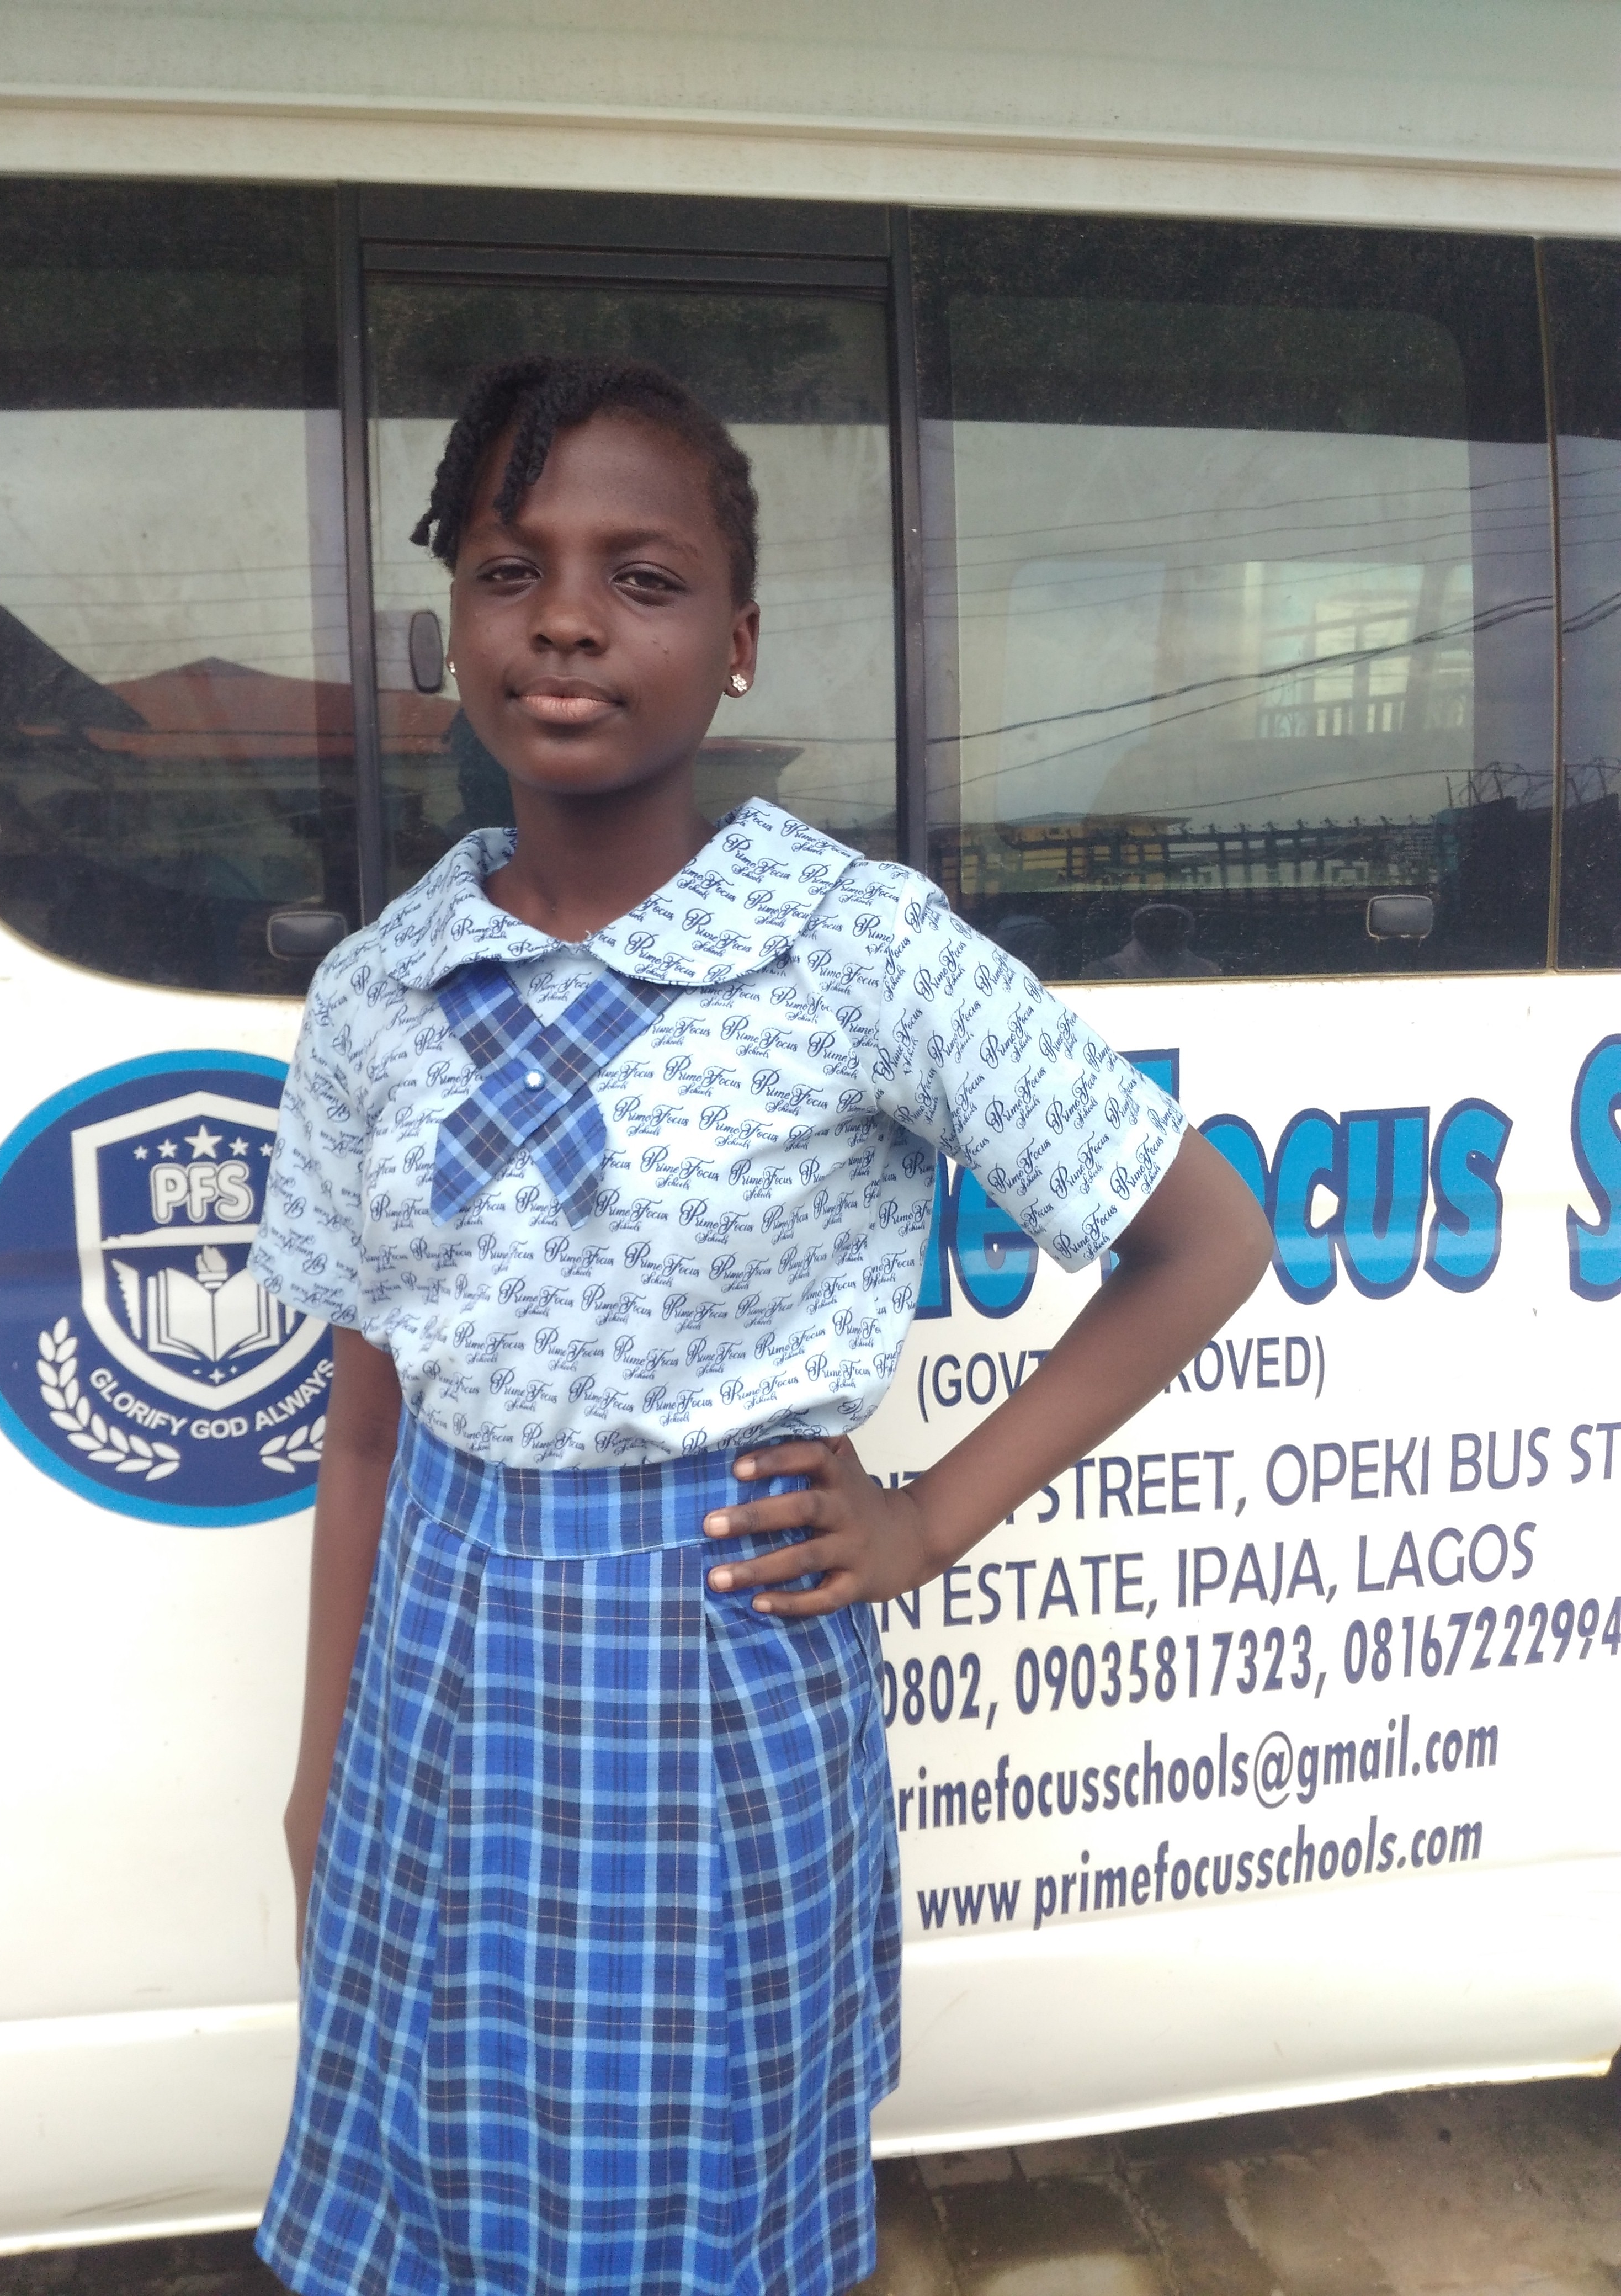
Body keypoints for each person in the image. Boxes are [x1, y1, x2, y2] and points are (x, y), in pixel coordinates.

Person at [250, 355, 1272, 2296]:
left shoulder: (854, 950)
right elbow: (365, 1425)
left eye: (640, 578)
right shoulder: (380, 992)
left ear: (735, 641)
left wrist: (926, 1517)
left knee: (692, 2203)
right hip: (433, 1701)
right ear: (451, 624)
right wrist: (319, 1772)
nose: (564, 619)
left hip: (713, 1680)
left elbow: (1200, 1241)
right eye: (508, 568)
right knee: (441, 2185)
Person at [1082, 899, 1221, 979]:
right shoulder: (1102, 970)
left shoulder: (1209, 971)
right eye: (1152, 925)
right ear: (1136, 930)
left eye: (1171, 925)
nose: (1162, 931)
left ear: (1187, 931)